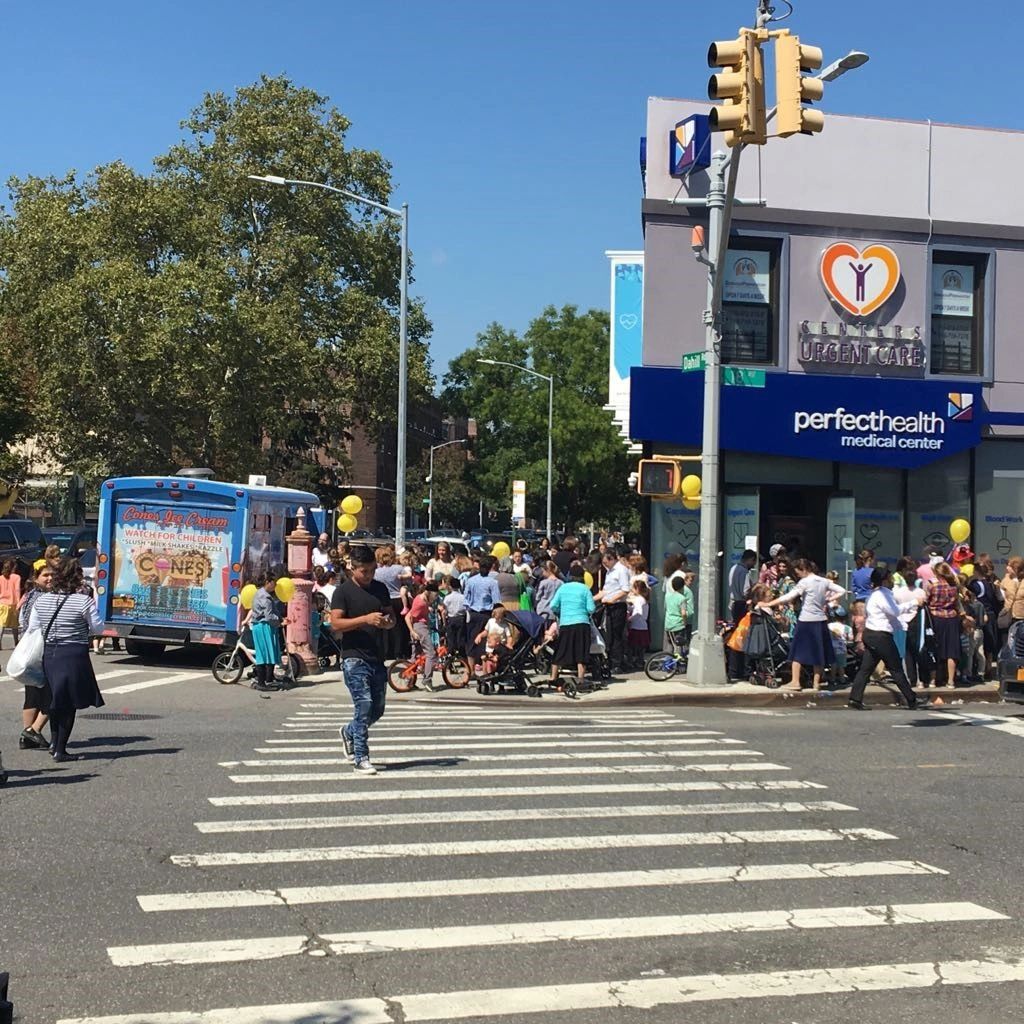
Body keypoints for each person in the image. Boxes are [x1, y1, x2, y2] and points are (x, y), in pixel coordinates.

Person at [27, 557, 104, 761]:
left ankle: (53, 744)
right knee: (68, 702)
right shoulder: (83, 601)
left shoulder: (41, 600)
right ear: (77, 578)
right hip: (74, 654)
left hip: (50, 653)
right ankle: (61, 749)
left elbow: (33, 628)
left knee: (54, 700)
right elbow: (98, 628)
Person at [330, 545, 396, 775]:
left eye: (372, 570)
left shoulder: (379, 588)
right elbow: (336, 623)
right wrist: (365, 619)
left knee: (377, 710)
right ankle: (361, 757)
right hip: (353, 656)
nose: (369, 576)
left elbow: (391, 617)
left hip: (376, 655)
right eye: (364, 572)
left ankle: (349, 731)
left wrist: (387, 621)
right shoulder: (343, 592)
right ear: (353, 569)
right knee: (364, 704)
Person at [847, 567, 930, 710]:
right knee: (896, 668)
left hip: (872, 634)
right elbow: (894, 611)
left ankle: (855, 698)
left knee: (866, 669)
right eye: (890, 578)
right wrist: (914, 602)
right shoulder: (881, 595)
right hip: (880, 636)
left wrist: (902, 626)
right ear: (884, 580)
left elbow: (890, 616)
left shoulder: (876, 594)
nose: (892, 581)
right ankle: (911, 699)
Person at [757, 559, 845, 693]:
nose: (797, 575)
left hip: (806, 620)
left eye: (797, 572)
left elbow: (788, 597)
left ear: (803, 569)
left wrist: (768, 604)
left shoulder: (804, 582)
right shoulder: (823, 581)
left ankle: (795, 681)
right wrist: (827, 600)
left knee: (797, 652)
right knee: (818, 652)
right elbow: (842, 590)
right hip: (821, 620)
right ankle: (816, 683)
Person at [17, 562, 54, 750]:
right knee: (53, 693)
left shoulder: (29, 595)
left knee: (32, 694)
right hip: (40, 651)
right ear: (35, 577)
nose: (49, 578)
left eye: (51, 575)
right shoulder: (43, 597)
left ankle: (27, 735)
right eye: (45, 575)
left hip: (28, 649)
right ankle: (33, 731)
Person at [548, 564, 596, 688]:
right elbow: (591, 608)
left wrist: (560, 612)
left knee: (560, 650)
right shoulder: (585, 589)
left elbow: (553, 605)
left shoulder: (563, 588)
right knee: (581, 653)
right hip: (582, 623)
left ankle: (553, 677)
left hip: (566, 623)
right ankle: (581, 679)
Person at [595, 547, 631, 673]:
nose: (605, 565)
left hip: (617, 606)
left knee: (616, 635)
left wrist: (613, 599)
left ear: (612, 559)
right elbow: (606, 590)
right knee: (608, 634)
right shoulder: (609, 572)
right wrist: (594, 598)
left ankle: (617, 663)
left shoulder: (621, 570)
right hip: (608, 605)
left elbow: (625, 589)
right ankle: (610, 660)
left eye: (606, 562)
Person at [927, 561, 962, 688]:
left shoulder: (932, 585)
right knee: (951, 651)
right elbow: (957, 602)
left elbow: (927, 600)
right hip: (951, 618)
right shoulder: (954, 585)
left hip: (936, 618)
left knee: (935, 649)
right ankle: (951, 681)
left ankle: (933, 680)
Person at [249, 575, 286, 692]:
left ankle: (268, 679)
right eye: (273, 583)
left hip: (261, 626)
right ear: (267, 582)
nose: (275, 586)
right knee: (265, 654)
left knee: (267, 653)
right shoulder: (265, 597)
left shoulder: (260, 593)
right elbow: (269, 616)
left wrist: (280, 618)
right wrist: (280, 621)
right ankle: (261, 682)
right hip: (264, 626)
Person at [464, 555, 501, 675]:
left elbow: (466, 600)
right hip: (486, 615)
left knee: (471, 642)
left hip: (473, 614)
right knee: (487, 643)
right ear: (490, 568)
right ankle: (486, 671)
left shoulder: (470, 581)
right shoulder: (493, 582)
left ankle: (471, 671)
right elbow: (496, 601)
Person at [375, 546, 412, 660]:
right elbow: (408, 580)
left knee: (385, 626)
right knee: (400, 627)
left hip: (384, 599)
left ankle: (387, 651)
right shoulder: (398, 568)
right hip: (398, 598)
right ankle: (399, 652)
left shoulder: (377, 572)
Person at [726, 550, 758, 681]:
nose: (753, 564)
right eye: (753, 561)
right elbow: (745, 592)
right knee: (744, 637)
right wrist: (754, 592)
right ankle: (743, 669)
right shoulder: (744, 572)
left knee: (737, 636)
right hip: (742, 605)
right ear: (749, 559)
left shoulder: (733, 568)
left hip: (734, 604)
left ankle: (734, 669)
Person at [406, 580, 441, 688]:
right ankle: (427, 680)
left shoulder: (423, 600)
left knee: (416, 656)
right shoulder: (420, 602)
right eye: (435, 595)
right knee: (430, 653)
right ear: (429, 592)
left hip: (421, 627)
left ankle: (410, 681)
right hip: (420, 628)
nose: (435, 598)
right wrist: (412, 631)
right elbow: (408, 617)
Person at [626, 578, 650, 669]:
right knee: (641, 647)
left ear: (637, 589)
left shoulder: (638, 599)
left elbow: (638, 612)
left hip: (636, 626)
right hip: (643, 626)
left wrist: (630, 619)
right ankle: (640, 661)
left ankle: (632, 662)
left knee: (632, 646)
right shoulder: (644, 599)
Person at [0, 559, 22, 649]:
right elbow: (17, 590)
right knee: (14, 625)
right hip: (13, 603)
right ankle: (16, 641)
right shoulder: (16, 577)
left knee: (1, 624)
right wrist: (18, 603)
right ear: (14, 567)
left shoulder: (1, 577)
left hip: (2, 603)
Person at [442, 576, 467, 655]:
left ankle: (450, 656)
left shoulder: (447, 598)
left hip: (451, 618)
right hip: (461, 618)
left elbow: (444, 611)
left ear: (450, 586)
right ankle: (462, 656)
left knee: (451, 638)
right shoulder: (463, 597)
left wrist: (444, 622)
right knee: (461, 638)